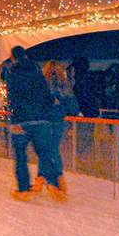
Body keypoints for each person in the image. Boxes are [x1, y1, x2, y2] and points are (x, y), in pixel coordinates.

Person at [6, 46, 56, 202]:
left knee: (20, 155)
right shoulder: (37, 71)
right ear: (25, 55)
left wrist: (15, 117)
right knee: (44, 153)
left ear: (13, 58)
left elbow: (12, 97)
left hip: (21, 120)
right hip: (42, 119)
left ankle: (24, 189)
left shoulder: (12, 73)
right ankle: (47, 179)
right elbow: (46, 94)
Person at [41, 61, 79, 202]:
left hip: (44, 120)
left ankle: (51, 181)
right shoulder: (64, 84)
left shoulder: (42, 83)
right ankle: (57, 179)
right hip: (59, 120)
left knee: (46, 150)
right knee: (53, 149)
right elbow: (73, 105)